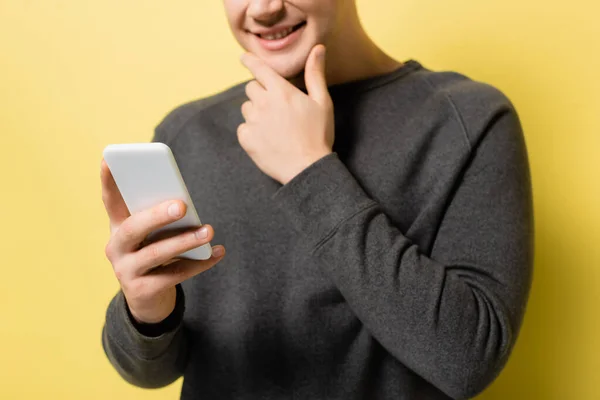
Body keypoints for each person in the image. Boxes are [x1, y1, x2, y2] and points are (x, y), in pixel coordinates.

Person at [100, 0, 534, 399]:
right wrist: (146, 310)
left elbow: (467, 361)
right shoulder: (187, 134)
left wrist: (309, 169)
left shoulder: (467, 121)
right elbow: (149, 371)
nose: (265, 8)